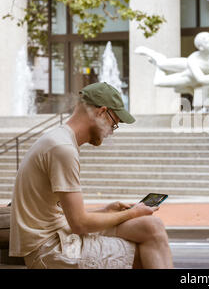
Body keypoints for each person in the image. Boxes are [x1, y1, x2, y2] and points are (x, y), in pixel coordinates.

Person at [9, 82, 173, 269]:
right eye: (114, 123)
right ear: (101, 112)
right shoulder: (63, 149)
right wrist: (132, 213)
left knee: (151, 226)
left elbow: (64, 216)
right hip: (50, 249)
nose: (111, 131)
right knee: (146, 252)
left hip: (58, 235)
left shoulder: (59, 139)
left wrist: (105, 210)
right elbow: (79, 223)